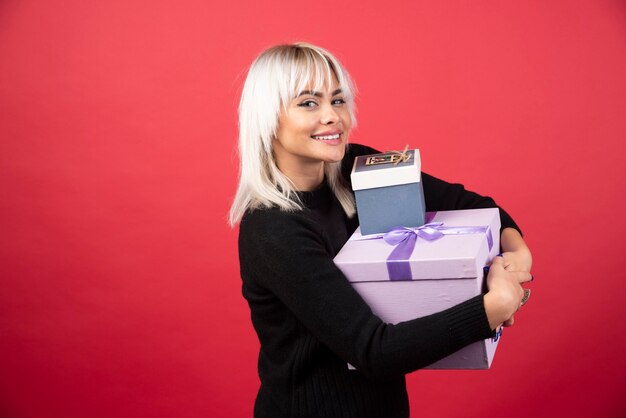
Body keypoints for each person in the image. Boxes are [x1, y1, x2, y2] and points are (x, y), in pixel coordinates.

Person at [229, 42, 533, 418]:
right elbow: (372, 350)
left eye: (337, 100)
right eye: (308, 103)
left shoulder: (358, 168)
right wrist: (491, 309)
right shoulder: (273, 228)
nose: (332, 116)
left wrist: (517, 251)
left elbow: (474, 205)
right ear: (267, 118)